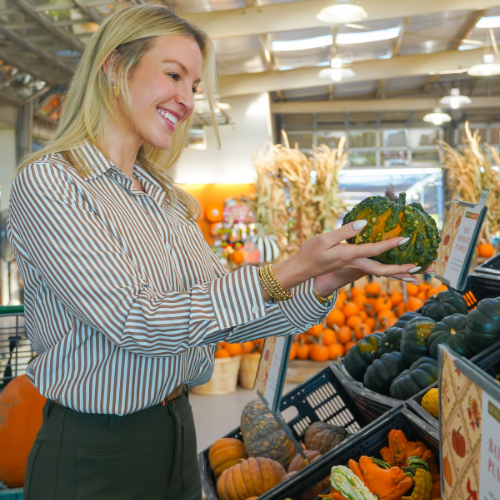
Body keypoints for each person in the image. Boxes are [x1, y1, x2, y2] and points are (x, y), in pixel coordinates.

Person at [7, 5, 426, 499]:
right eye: (173, 75)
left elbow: (224, 318)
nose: (186, 100)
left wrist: (329, 276)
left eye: (194, 87)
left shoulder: (166, 200)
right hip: (95, 449)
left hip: (177, 432)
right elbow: (135, 321)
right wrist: (288, 266)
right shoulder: (52, 183)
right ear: (115, 67)